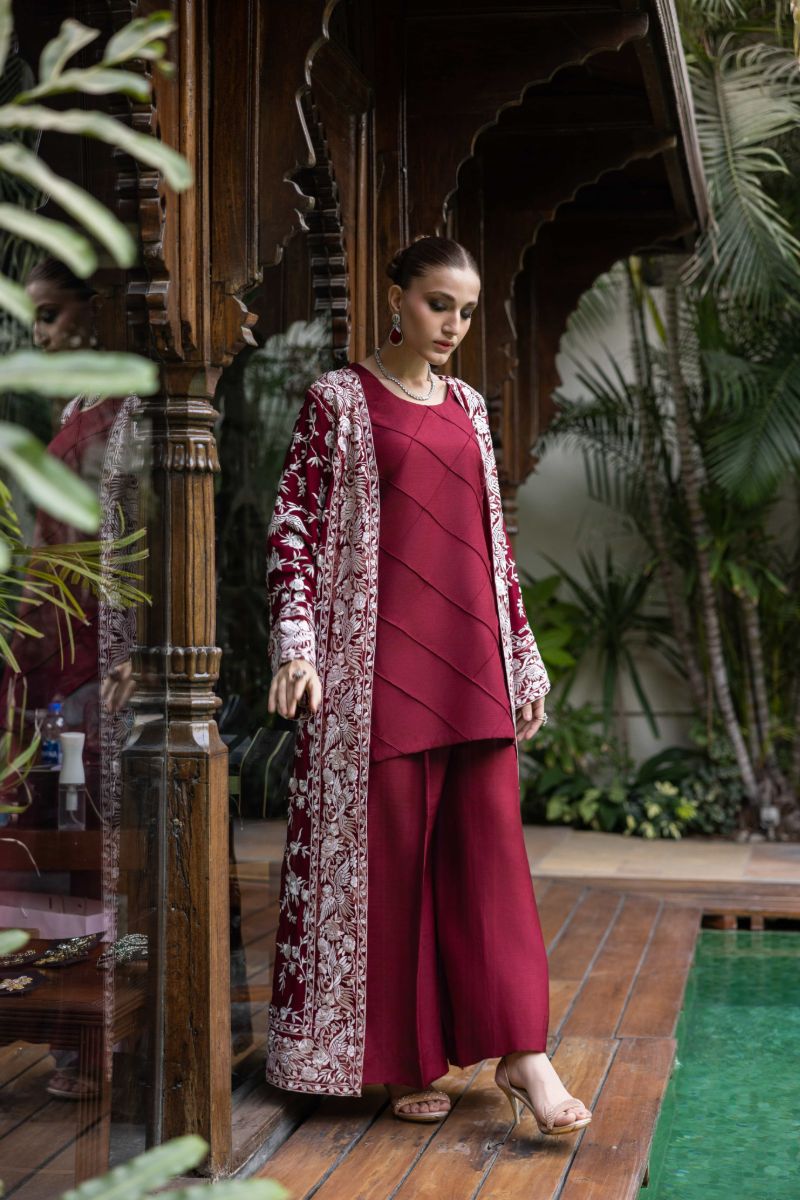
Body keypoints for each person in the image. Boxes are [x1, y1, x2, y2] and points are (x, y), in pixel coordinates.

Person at [265, 237, 591, 1135]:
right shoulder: (339, 399)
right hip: (374, 669)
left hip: (471, 659)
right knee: (395, 863)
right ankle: (406, 1062)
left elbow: (494, 542)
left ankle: (524, 1054)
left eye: (466, 311)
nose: (452, 325)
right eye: (438, 303)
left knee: (490, 863)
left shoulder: (471, 408)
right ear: (397, 298)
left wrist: (521, 654)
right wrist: (296, 642)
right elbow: (293, 523)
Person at [2, 258, 140, 1100]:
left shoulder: (129, 412)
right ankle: (61, 1024)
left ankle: (99, 1039)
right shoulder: (77, 409)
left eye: (51, 314)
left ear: (97, 310)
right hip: (46, 644)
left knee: (94, 839)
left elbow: (144, 541)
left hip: (97, 651)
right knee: (45, 835)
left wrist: (135, 650)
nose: (41, 333)